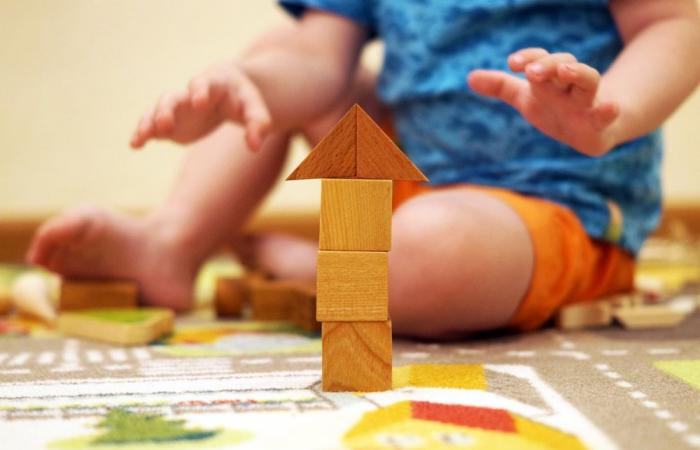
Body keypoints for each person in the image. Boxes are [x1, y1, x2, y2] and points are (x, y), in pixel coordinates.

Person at [27, 1, 700, 338]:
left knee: (432, 248)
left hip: (558, 205)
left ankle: (318, 271)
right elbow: (318, 61)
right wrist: (241, 82)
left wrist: (612, 112)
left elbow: (675, 21)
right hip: (415, 180)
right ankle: (172, 242)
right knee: (272, 60)